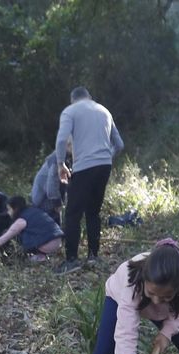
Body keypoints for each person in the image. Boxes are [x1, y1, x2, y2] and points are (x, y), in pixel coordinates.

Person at [54, 87, 124, 274]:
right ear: (89, 97)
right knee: (93, 211)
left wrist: (61, 164)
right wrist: (106, 157)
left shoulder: (70, 111)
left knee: (73, 214)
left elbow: (61, 141)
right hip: (104, 165)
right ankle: (94, 256)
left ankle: (72, 260)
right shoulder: (104, 111)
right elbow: (119, 144)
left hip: (84, 166)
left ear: (73, 100)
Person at [0, 195, 65, 261]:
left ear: (15, 209)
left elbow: (4, 239)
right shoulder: (33, 210)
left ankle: (40, 256)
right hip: (58, 241)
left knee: (21, 236)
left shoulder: (21, 221)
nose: (8, 212)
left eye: (9, 209)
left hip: (49, 244)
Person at [31, 150, 70, 221]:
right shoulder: (57, 160)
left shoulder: (61, 158)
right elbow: (52, 184)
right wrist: (57, 203)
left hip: (45, 199)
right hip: (44, 201)